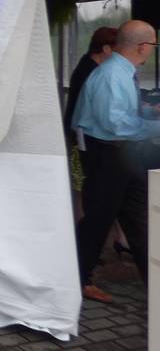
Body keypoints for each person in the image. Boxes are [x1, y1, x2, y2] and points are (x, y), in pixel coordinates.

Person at [71, 19, 160, 303]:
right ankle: (76, 279)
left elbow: (122, 114)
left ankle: (154, 282)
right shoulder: (112, 74)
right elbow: (116, 124)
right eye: (154, 45)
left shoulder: (120, 71)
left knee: (138, 216)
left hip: (120, 153)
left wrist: (148, 112)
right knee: (99, 220)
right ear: (144, 46)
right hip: (109, 154)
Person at [64, 26, 117, 156]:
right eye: (119, 50)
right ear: (106, 49)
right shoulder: (93, 72)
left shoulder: (88, 64)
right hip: (83, 137)